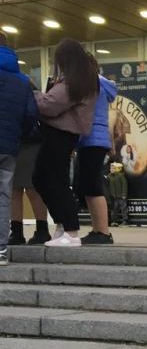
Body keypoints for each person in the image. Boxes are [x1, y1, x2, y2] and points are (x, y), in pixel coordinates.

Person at [32, 38, 99, 248]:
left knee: (54, 180)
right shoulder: (85, 80)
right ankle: (63, 224)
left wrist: (33, 92)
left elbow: (49, 105)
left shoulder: (74, 82)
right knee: (43, 178)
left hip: (59, 135)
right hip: (64, 136)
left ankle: (70, 230)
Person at [0, 34, 39, 266]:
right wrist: (17, 134)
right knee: (4, 196)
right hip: (9, 147)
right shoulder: (22, 80)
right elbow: (31, 114)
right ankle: (0, 250)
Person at [76, 63, 118, 245]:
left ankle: (103, 231)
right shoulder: (99, 84)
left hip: (92, 138)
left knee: (93, 186)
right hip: (95, 138)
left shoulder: (91, 84)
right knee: (89, 185)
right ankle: (98, 229)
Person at [107, 161, 128, 227]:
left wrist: (124, 194)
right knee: (114, 209)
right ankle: (114, 221)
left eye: (113, 168)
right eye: (111, 168)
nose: (111, 169)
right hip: (113, 197)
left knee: (123, 208)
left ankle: (125, 221)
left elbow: (124, 185)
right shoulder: (109, 176)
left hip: (121, 196)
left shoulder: (121, 176)